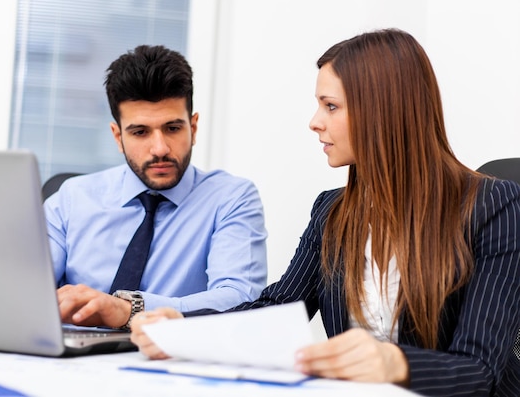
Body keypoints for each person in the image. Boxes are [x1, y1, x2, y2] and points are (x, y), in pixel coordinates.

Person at [130, 29, 520, 397]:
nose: (314, 122)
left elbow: (480, 369)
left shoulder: (495, 206)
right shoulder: (333, 210)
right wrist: (185, 329)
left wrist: (392, 361)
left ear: (385, 111)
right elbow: (278, 308)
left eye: (331, 106)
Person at [44, 45, 268, 331]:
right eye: (140, 132)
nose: (160, 148)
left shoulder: (231, 199)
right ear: (117, 136)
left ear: (194, 128)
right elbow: (25, 290)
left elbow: (240, 300)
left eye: (173, 128)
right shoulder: (70, 199)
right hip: (67, 363)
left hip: (170, 362)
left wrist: (129, 310)